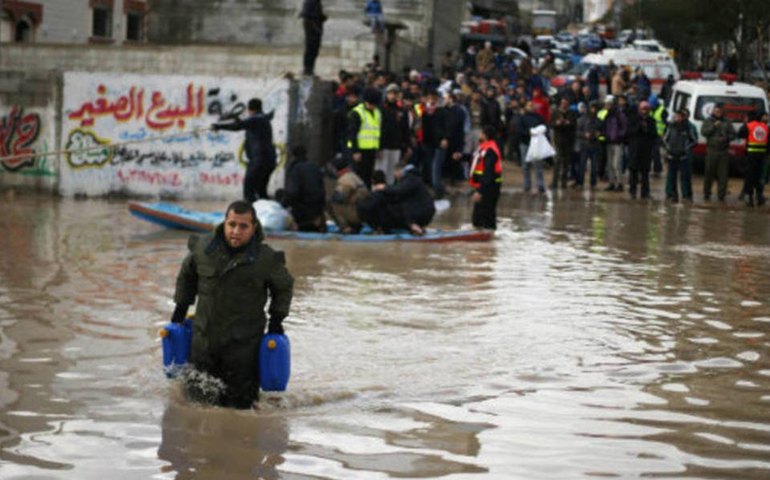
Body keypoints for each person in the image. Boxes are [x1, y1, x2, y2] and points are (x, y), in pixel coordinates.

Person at [171, 200, 293, 409]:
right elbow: (186, 276)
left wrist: (276, 320)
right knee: (194, 411)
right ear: (224, 223)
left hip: (243, 354)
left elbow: (284, 286)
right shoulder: (203, 249)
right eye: (231, 224)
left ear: (254, 228)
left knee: (241, 414)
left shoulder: (266, 259)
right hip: (203, 347)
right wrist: (180, 309)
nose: (236, 231)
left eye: (243, 226)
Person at [213, 98, 276, 203]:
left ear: (250, 109)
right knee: (261, 192)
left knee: (249, 191)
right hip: (269, 161)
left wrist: (219, 126)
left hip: (259, 161)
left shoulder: (256, 119)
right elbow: (242, 123)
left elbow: (237, 126)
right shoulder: (264, 118)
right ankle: (265, 215)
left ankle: (249, 215)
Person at [358, 165, 435, 235]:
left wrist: (384, 188)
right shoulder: (414, 180)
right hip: (424, 212)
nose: (394, 175)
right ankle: (412, 225)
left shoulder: (410, 179)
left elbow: (399, 190)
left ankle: (412, 225)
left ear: (399, 171)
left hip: (420, 213)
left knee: (393, 210)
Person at [280, 145, 326, 231]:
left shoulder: (295, 169)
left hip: (302, 212)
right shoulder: (315, 167)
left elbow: (292, 192)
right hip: (317, 210)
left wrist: (282, 205)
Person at [347, 87, 382, 189]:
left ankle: (366, 195)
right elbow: (352, 133)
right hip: (359, 150)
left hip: (371, 149)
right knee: (359, 176)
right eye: (372, 104)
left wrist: (377, 147)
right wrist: (355, 151)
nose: (373, 106)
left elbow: (377, 132)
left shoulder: (377, 112)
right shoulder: (357, 113)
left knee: (368, 175)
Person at [701, 104, 736, 201]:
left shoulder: (727, 122)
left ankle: (721, 195)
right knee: (709, 173)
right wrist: (713, 127)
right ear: (713, 111)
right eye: (716, 111)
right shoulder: (708, 121)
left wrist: (726, 138)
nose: (718, 113)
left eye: (720, 111)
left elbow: (733, 134)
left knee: (723, 175)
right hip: (712, 150)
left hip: (723, 151)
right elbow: (704, 132)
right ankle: (706, 193)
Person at [470, 125, 502, 229]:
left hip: (489, 187)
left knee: (487, 216)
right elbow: (476, 159)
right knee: (478, 218)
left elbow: (488, 172)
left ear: (486, 135)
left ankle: (488, 239)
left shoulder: (490, 150)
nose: (480, 135)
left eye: (482, 133)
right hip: (485, 186)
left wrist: (480, 191)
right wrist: (461, 156)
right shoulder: (484, 147)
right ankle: (484, 239)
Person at [663, 108, 697, 202]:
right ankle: (671, 195)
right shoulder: (671, 127)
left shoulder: (688, 127)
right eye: (675, 116)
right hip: (672, 155)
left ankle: (686, 196)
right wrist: (668, 148)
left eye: (679, 116)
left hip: (683, 156)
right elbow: (665, 139)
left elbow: (694, 141)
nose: (677, 118)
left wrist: (686, 149)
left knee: (685, 177)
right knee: (671, 176)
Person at [627, 101, 658, 199]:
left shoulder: (651, 121)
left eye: (646, 109)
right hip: (635, 149)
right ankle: (633, 191)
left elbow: (654, 135)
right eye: (643, 109)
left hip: (646, 150)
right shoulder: (633, 119)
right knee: (633, 171)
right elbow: (629, 132)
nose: (644, 111)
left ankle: (645, 193)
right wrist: (639, 127)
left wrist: (647, 129)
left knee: (645, 172)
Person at [737, 111, 768, 207]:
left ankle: (749, 197)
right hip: (762, 155)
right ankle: (759, 197)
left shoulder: (749, 126)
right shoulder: (765, 127)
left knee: (750, 176)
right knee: (759, 177)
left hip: (751, 155)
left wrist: (745, 124)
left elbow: (740, 134)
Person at [517, 100, 547, 194]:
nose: (531, 107)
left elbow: (544, 127)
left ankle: (540, 185)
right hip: (525, 143)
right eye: (529, 105)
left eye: (532, 105)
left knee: (538, 165)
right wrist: (528, 133)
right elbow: (519, 130)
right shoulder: (522, 118)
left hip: (536, 144)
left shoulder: (539, 117)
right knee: (525, 166)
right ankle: (527, 185)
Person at [549, 97, 577, 190]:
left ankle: (563, 183)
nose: (564, 105)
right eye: (562, 103)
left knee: (566, 163)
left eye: (565, 103)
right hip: (558, 141)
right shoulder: (555, 113)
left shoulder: (571, 113)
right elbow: (552, 124)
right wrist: (558, 123)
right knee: (557, 162)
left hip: (568, 141)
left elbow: (573, 124)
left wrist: (565, 123)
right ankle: (554, 182)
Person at [603, 96, 628, 192]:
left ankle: (619, 183)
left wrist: (619, 136)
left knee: (616, 164)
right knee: (610, 164)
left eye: (607, 104)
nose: (606, 106)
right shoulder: (608, 115)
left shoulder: (619, 115)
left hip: (617, 142)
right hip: (609, 142)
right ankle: (612, 183)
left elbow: (624, 127)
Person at [576, 100, 602, 189]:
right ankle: (580, 183)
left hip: (595, 145)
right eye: (592, 108)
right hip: (584, 145)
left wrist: (599, 134)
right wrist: (584, 135)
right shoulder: (581, 120)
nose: (593, 110)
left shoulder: (598, 120)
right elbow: (577, 132)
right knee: (582, 166)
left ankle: (593, 183)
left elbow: (602, 131)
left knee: (594, 166)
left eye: (595, 108)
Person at [300, 0, 327, 76]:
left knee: (314, 50)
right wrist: (316, 28)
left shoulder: (317, 2)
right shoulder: (310, 2)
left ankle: (310, 69)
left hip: (316, 30)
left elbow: (315, 14)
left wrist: (321, 17)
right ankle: (308, 70)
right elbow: (306, 16)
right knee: (311, 50)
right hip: (312, 31)